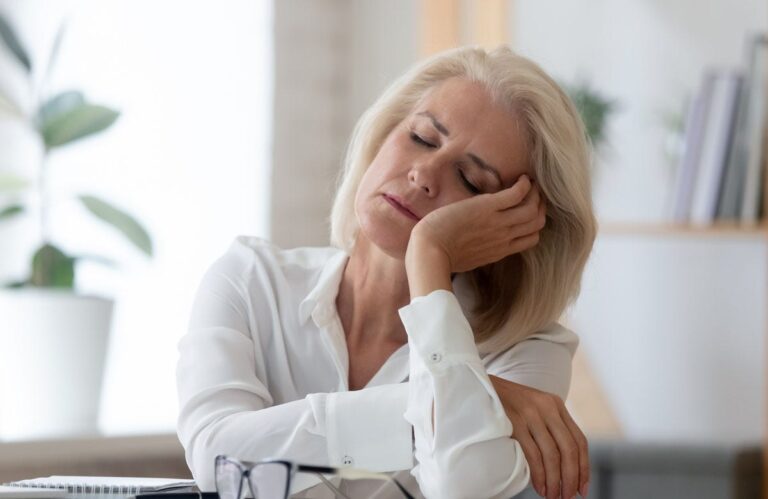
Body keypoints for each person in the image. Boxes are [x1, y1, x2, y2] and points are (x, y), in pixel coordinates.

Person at [176, 45, 596, 499]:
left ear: (517, 229)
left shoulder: (528, 353)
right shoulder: (250, 281)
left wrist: (430, 254)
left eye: (472, 181)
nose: (424, 174)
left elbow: (461, 486)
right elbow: (217, 459)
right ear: (383, 134)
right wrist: (459, 401)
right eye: (421, 137)